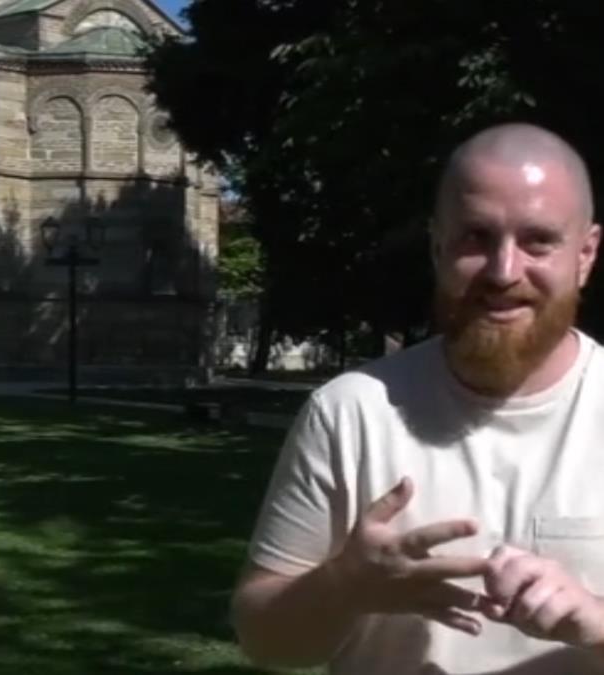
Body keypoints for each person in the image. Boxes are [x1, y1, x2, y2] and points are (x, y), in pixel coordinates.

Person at [231, 122, 604, 674]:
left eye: (538, 240)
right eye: (476, 237)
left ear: (586, 254)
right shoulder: (352, 413)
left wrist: (596, 621)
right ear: (437, 247)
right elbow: (267, 644)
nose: (504, 271)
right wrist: (345, 585)